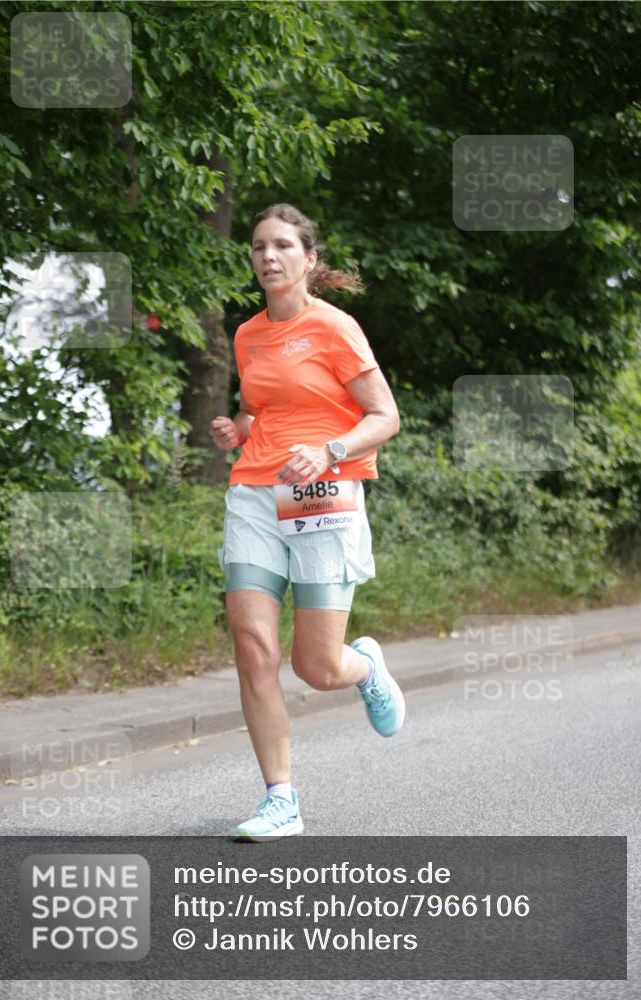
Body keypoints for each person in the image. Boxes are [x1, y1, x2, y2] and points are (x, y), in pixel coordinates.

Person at [209, 202, 404, 842]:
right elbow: (258, 410)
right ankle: (280, 799)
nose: (268, 256)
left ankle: (366, 669)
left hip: (323, 491)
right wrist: (234, 430)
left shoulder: (336, 328)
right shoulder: (247, 335)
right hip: (254, 492)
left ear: (309, 259)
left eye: (283, 246)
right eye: (260, 246)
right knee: (252, 644)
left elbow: (384, 416)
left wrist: (330, 450)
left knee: (315, 667)